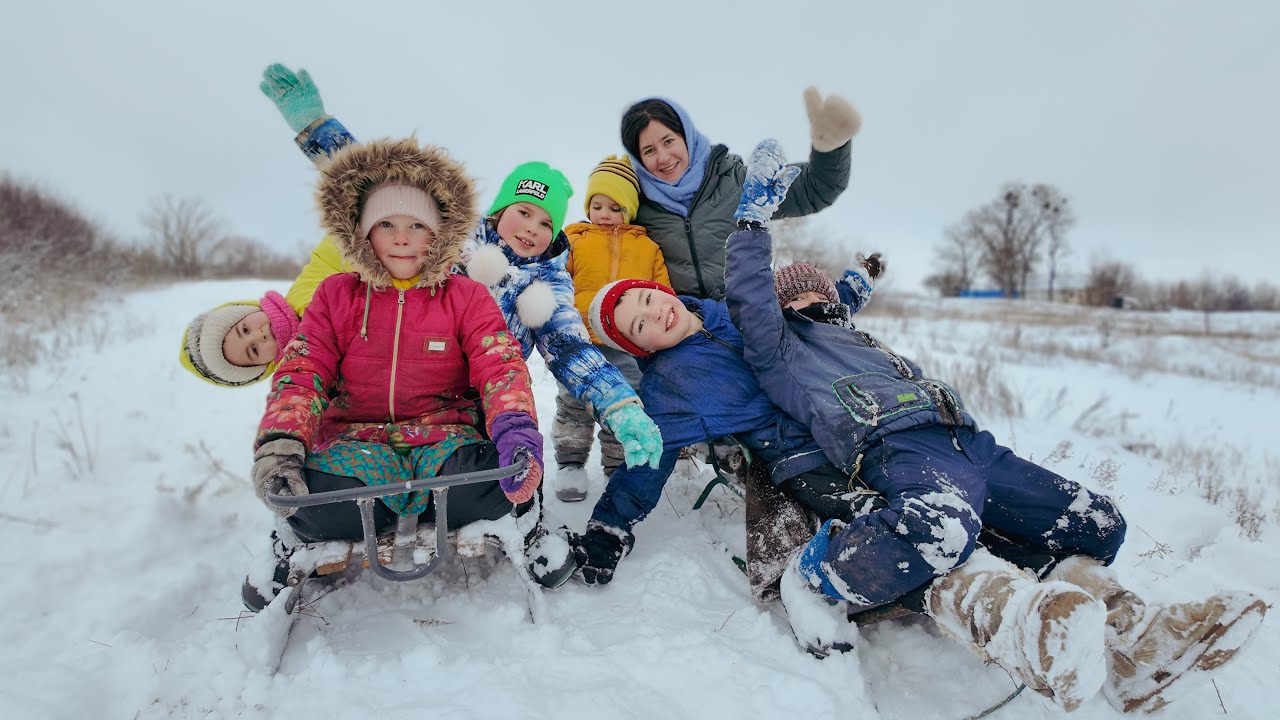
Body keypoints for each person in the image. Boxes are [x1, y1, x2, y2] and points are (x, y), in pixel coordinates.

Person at [721, 139, 1268, 713]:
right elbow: (752, 300)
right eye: (797, 295)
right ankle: (819, 577)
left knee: (1097, 524)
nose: (811, 298)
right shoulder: (782, 347)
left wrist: (857, 279)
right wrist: (753, 221)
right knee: (939, 528)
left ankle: (1137, 647)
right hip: (896, 446)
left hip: (970, 443)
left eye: (819, 290)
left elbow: (841, 300)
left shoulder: (857, 338)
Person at [254, 63, 665, 475]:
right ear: (500, 210)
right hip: (405, 390)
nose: (532, 229)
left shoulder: (548, 285)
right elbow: (383, 188)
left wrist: (618, 403)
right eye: (524, 212)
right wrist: (315, 126)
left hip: (489, 412)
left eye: (546, 223)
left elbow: (571, 348)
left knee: (496, 482)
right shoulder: (452, 242)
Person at [245, 137, 575, 611]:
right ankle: (292, 540)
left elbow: (500, 365)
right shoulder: (336, 295)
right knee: (309, 503)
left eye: (417, 225)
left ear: (440, 232)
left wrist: (515, 430)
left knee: (505, 476)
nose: (401, 238)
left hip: (446, 441)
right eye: (386, 224)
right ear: (361, 232)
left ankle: (529, 524)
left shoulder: (466, 296)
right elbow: (303, 370)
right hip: (355, 445)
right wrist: (281, 443)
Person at [619, 89, 859, 300]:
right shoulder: (635, 206)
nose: (663, 157)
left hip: (751, 321)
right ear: (638, 159)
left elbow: (815, 188)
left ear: (687, 137)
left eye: (668, 141)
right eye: (649, 151)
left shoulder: (738, 182)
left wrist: (830, 150)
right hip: (681, 328)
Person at [552, 155, 670, 501]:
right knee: (574, 402)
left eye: (614, 207)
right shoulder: (574, 240)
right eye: (597, 205)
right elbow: (558, 281)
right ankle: (570, 463)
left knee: (625, 401)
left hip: (627, 343)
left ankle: (618, 466)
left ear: (629, 210)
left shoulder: (647, 248)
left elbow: (663, 293)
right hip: (580, 341)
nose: (603, 214)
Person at [180, 239, 346, 387]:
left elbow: (335, 248)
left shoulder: (304, 288)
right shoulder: (311, 375)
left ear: (246, 312)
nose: (259, 335)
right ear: (264, 366)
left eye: (245, 329)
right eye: (254, 349)